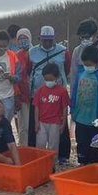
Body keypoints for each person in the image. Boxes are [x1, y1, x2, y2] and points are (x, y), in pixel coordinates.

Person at [28, 26, 70, 161]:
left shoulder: (63, 51)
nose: (47, 43)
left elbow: (67, 68)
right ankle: (35, 154)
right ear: (39, 39)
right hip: (38, 93)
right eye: (44, 40)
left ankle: (62, 156)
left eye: (50, 40)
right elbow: (29, 70)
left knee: (60, 126)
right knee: (36, 125)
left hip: (58, 94)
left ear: (54, 39)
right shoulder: (32, 52)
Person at [71, 45, 98, 165]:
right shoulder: (80, 74)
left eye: (90, 64)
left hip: (96, 119)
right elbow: (74, 92)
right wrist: (73, 110)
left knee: (96, 144)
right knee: (81, 143)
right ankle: (82, 163)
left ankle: (94, 165)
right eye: (85, 64)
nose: (87, 67)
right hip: (80, 118)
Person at [33, 63, 70, 158]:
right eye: (46, 80)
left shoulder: (62, 91)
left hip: (55, 122)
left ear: (57, 77)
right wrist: (36, 122)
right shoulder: (40, 90)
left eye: (51, 79)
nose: (48, 82)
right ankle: (40, 162)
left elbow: (65, 108)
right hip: (42, 122)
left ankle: (52, 164)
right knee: (40, 144)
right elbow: (36, 107)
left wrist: (63, 123)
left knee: (53, 145)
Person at [14, 28, 33, 146]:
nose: (22, 40)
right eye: (20, 38)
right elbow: (14, 75)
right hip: (22, 94)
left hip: (36, 93)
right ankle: (23, 148)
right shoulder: (16, 56)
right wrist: (16, 93)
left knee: (37, 124)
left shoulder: (36, 52)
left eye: (24, 38)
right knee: (23, 125)